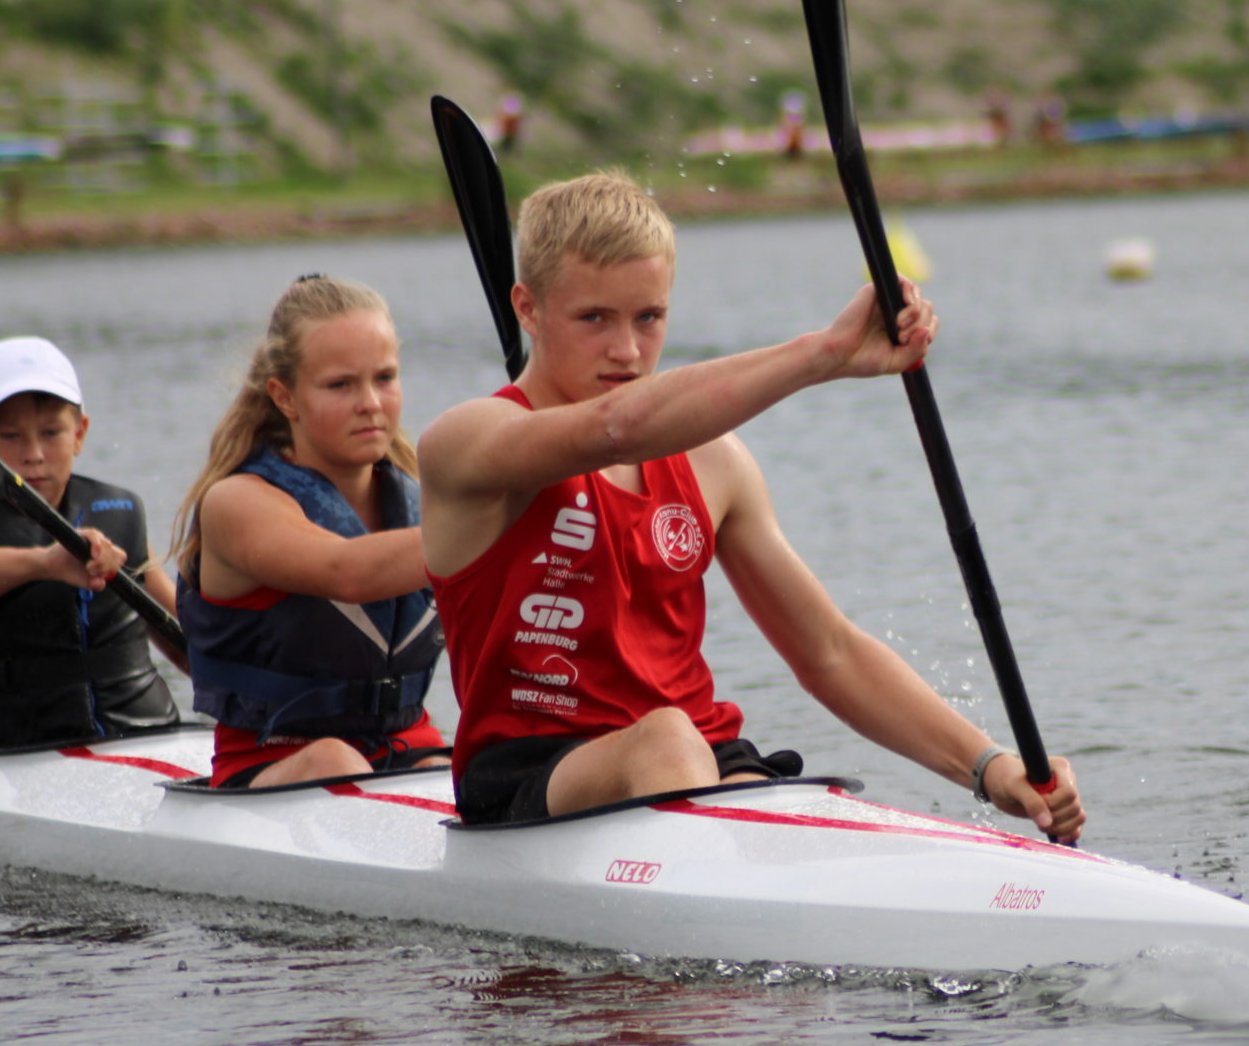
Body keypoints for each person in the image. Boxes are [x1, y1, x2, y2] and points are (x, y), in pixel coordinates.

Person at [417, 171, 1085, 842]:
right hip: (531, 773)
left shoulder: (715, 463)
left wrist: (989, 766)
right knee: (668, 739)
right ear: (527, 308)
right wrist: (825, 354)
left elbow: (829, 652)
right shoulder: (469, 443)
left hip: (699, 756)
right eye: (594, 318)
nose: (627, 350)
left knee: (752, 786)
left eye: (649, 317)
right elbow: (616, 427)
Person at [173, 275, 446, 788]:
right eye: (341, 385)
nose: (370, 402)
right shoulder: (237, 503)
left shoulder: (423, 499)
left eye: (385, 378)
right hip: (274, 759)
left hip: (409, 747)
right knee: (335, 762)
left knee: (451, 768)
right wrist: (500, 525)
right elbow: (347, 573)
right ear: (285, 397)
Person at [0, 337, 182, 749]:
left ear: (80, 433)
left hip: (146, 735)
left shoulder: (120, 510)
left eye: (51, 432)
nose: (34, 454)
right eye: (9, 436)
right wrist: (45, 563)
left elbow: (184, 637)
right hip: (7, 749)